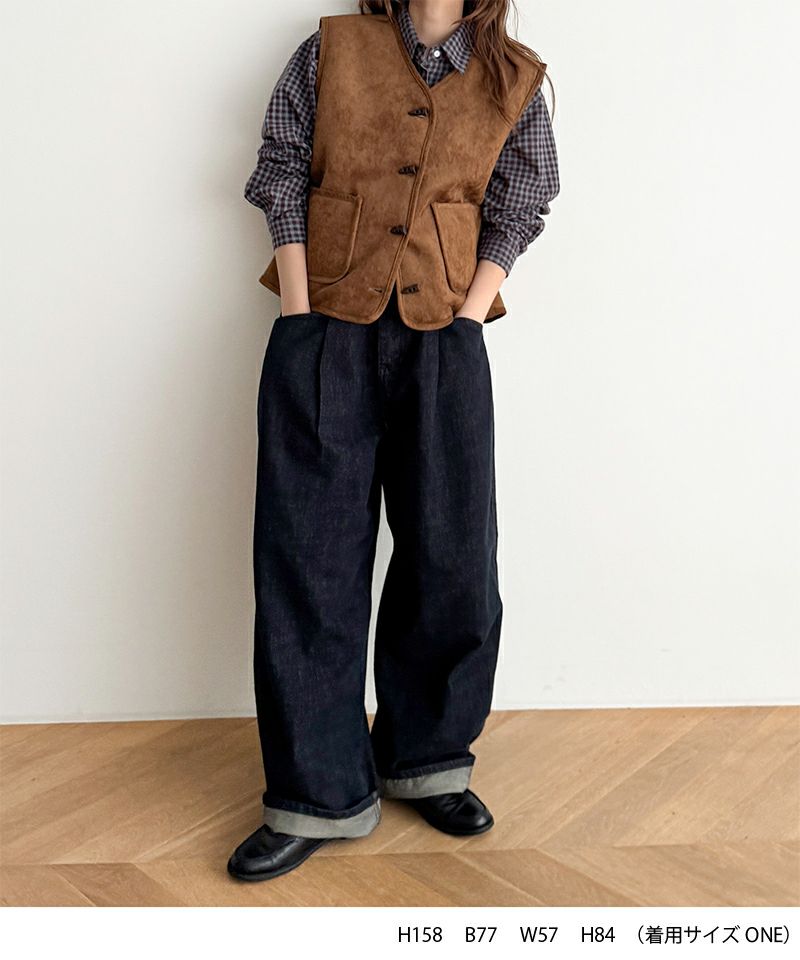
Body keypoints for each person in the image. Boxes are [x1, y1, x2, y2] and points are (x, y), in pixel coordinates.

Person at [228, 0, 559, 883]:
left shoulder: (515, 77)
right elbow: (281, 166)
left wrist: (470, 309)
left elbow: (524, 198)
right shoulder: (333, 49)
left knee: (453, 559)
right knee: (309, 562)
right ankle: (315, 794)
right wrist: (300, 307)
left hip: (446, 340)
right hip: (323, 331)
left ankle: (428, 760)